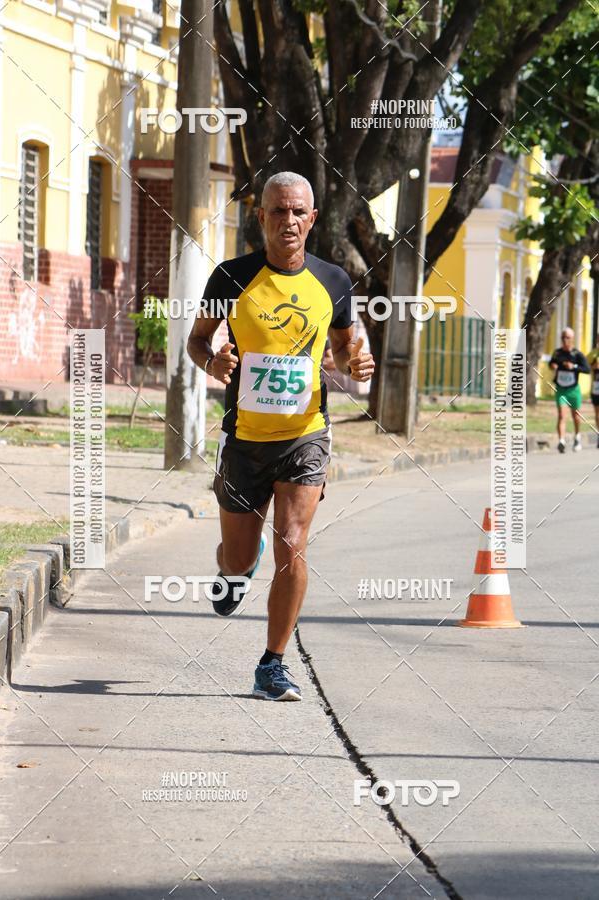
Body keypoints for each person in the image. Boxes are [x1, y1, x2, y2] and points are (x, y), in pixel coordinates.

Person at [187, 172, 374, 701]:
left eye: (298, 212)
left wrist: (357, 361)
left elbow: (344, 348)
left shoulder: (334, 281)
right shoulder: (231, 276)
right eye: (278, 212)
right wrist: (214, 360)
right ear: (261, 217)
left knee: (294, 543)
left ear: (312, 220)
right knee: (240, 557)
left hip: (305, 435)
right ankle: (233, 567)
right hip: (245, 437)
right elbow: (198, 341)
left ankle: (272, 663)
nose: (288, 221)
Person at [549, 327, 590, 453]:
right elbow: (551, 363)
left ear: (572, 339)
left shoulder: (577, 354)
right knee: (562, 415)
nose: (564, 340)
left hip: (573, 389)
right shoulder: (557, 353)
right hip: (561, 389)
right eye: (563, 337)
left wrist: (574, 366)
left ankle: (577, 437)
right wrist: (552, 365)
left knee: (576, 416)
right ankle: (561, 441)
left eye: (567, 337)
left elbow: (587, 369)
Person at [586, 333, 599, 448]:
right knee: (597, 413)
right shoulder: (593, 353)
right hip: (595, 387)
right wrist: (593, 366)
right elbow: (585, 365)